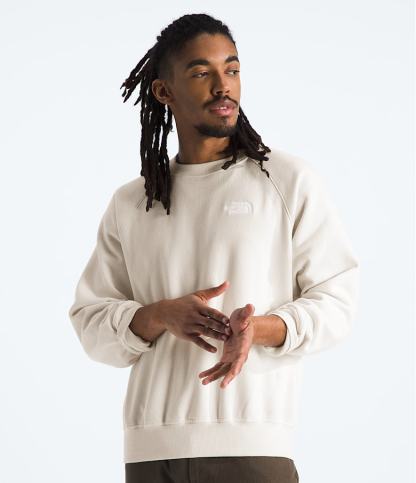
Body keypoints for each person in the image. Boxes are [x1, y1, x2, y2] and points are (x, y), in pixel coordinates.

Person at [68, 13, 360, 483]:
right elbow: (89, 321)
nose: (224, 86)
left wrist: (259, 329)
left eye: (233, 69)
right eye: (202, 72)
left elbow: (338, 301)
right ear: (164, 91)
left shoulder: (286, 182)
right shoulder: (133, 201)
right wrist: (159, 315)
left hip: (252, 447)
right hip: (150, 453)